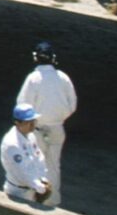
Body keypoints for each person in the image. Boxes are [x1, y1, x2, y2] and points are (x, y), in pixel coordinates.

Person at [16, 42, 76, 206]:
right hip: (57, 129)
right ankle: (52, 200)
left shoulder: (33, 79)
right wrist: (58, 118)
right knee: (53, 165)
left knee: (34, 164)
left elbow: (22, 104)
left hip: (36, 129)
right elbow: (72, 104)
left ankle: (33, 200)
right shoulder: (63, 78)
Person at [0, 103, 52, 206]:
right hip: (16, 192)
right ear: (17, 123)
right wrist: (39, 187)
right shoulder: (12, 144)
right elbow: (22, 171)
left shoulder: (31, 136)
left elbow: (39, 159)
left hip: (31, 190)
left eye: (34, 121)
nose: (33, 125)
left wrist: (42, 179)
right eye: (28, 122)